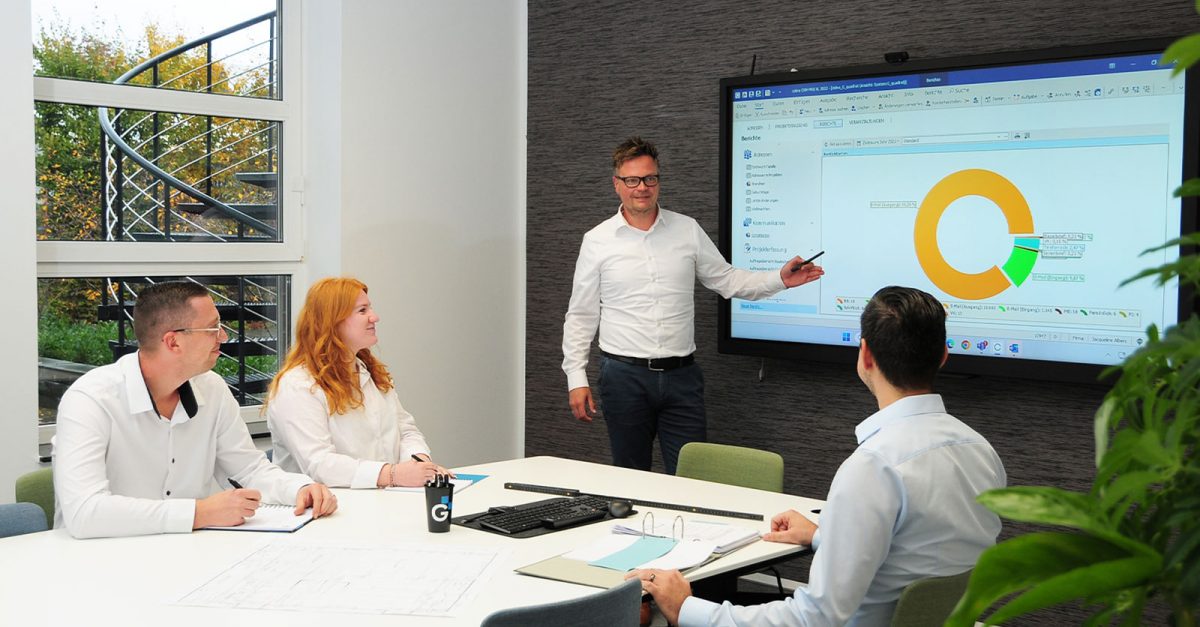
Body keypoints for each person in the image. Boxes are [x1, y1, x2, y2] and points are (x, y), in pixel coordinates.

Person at [629, 286, 1007, 626]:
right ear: (943, 355)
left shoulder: (874, 466)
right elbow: (916, 557)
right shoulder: (981, 452)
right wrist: (825, 536)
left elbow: (814, 619)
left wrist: (689, 609)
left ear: (865, 356)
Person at [562, 136, 825, 474]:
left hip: (681, 378)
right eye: (632, 180)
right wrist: (575, 376)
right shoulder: (597, 241)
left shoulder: (687, 230)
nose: (641, 187)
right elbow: (581, 314)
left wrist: (779, 279)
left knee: (692, 480)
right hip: (624, 377)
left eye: (650, 178)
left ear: (658, 181)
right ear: (617, 184)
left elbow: (728, 280)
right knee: (628, 478)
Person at [53, 281, 337, 539]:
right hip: (97, 563)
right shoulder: (89, 399)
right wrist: (199, 513)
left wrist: (299, 488)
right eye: (213, 329)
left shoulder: (211, 388)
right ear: (173, 341)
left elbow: (248, 469)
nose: (223, 337)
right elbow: (85, 512)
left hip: (188, 552)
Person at [265, 277, 451, 489]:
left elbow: (406, 431)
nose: (375, 317)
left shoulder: (370, 373)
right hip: (326, 510)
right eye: (362, 311)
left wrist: (420, 464)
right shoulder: (297, 385)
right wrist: (392, 474)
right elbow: (320, 464)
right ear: (332, 321)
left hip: (383, 500)